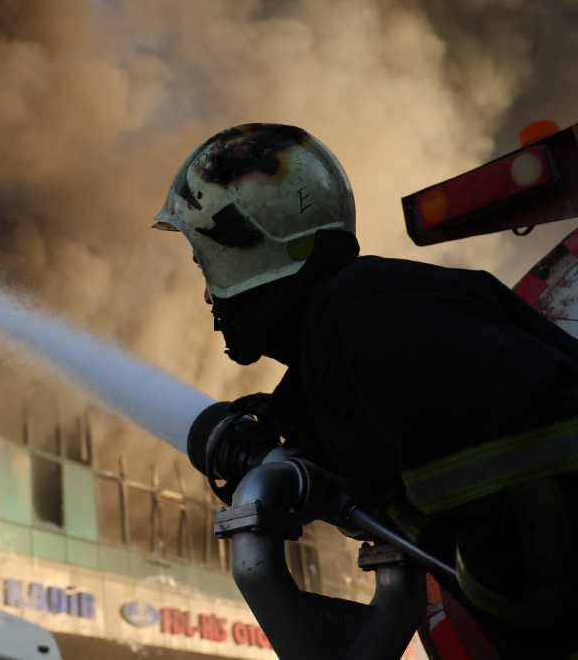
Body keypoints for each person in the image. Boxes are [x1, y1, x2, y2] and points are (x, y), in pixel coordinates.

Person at [152, 123, 578, 659]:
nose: (209, 291)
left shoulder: (369, 317)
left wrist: (517, 619)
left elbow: (524, 492)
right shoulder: (350, 332)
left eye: (204, 260)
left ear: (246, 244)